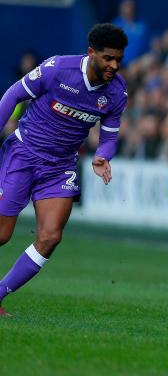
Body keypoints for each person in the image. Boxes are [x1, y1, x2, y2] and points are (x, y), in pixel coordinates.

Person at [0, 24, 129, 316]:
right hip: (24, 154)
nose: (114, 65)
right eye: (108, 58)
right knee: (2, 234)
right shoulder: (57, 69)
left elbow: (109, 135)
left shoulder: (117, 92)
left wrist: (102, 156)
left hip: (60, 167)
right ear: (91, 53)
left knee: (50, 237)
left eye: (118, 59)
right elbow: (12, 96)